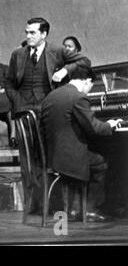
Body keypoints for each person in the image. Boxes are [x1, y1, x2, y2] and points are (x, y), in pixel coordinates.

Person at [41, 65, 122, 222]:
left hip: (53, 155)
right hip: (69, 157)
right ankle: (90, 209)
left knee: (94, 154)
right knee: (100, 162)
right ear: (88, 81)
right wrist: (110, 124)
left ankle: (76, 207)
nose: (89, 91)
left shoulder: (52, 95)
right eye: (91, 87)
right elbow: (94, 127)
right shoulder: (78, 97)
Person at [5, 17, 91, 116]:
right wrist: (16, 100)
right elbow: (9, 81)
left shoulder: (57, 51)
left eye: (32, 33)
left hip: (49, 105)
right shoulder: (17, 54)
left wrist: (65, 70)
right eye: (27, 32)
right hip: (23, 107)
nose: (28, 36)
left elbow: (85, 61)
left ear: (43, 34)